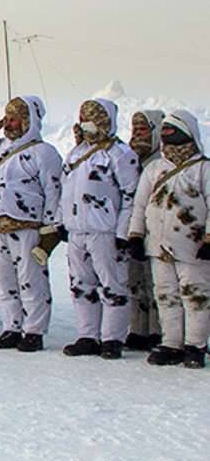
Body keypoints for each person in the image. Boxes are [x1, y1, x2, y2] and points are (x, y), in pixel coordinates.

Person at [0, 96, 63, 352]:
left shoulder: (44, 153)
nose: (9, 124)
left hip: (28, 226)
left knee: (31, 280)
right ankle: (11, 326)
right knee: (5, 280)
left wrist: (51, 229)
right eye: (7, 118)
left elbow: (53, 191)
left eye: (14, 119)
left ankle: (34, 330)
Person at [128, 110, 210, 368]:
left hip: (193, 246)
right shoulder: (154, 168)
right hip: (158, 246)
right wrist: (135, 234)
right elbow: (140, 205)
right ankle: (171, 343)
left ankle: (195, 345)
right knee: (166, 295)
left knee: (195, 296)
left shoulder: (203, 169)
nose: (170, 142)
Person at [58, 98, 139, 359]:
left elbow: (131, 196)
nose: (86, 125)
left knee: (113, 285)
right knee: (81, 285)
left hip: (105, 230)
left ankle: (113, 338)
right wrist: (61, 221)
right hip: (77, 230)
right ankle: (87, 335)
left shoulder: (121, 155)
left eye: (92, 120)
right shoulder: (76, 153)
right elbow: (65, 189)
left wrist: (123, 232)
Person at [125, 110, 164, 350]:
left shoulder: (162, 163)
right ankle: (138, 329)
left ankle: (159, 331)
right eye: (135, 130)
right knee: (135, 282)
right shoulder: (130, 161)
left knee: (158, 286)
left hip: (160, 233)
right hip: (134, 232)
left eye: (143, 130)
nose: (138, 135)